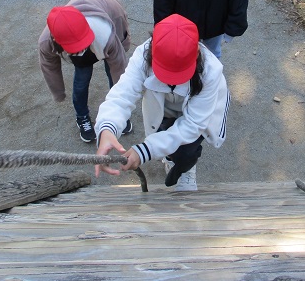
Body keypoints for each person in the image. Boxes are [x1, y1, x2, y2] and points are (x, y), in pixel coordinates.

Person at [94, 14, 230, 192]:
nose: (171, 81)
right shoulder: (142, 56)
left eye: (179, 73)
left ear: (196, 53)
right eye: (165, 72)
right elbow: (122, 95)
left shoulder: (211, 71)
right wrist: (107, 129)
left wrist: (145, 150)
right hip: (164, 107)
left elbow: (194, 124)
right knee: (162, 131)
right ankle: (170, 157)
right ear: (153, 50)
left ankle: (186, 167)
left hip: (197, 110)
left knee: (188, 147)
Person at [38, 0, 133, 143]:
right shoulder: (46, 42)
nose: (81, 50)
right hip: (82, 34)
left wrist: (121, 103)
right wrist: (58, 92)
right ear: (56, 40)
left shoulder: (105, 32)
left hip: (110, 17)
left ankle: (118, 113)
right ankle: (82, 116)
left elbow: (119, 66)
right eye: (76, 48)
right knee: (82, 77)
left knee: (112, 73)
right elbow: (49, 66)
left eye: (81, 46)